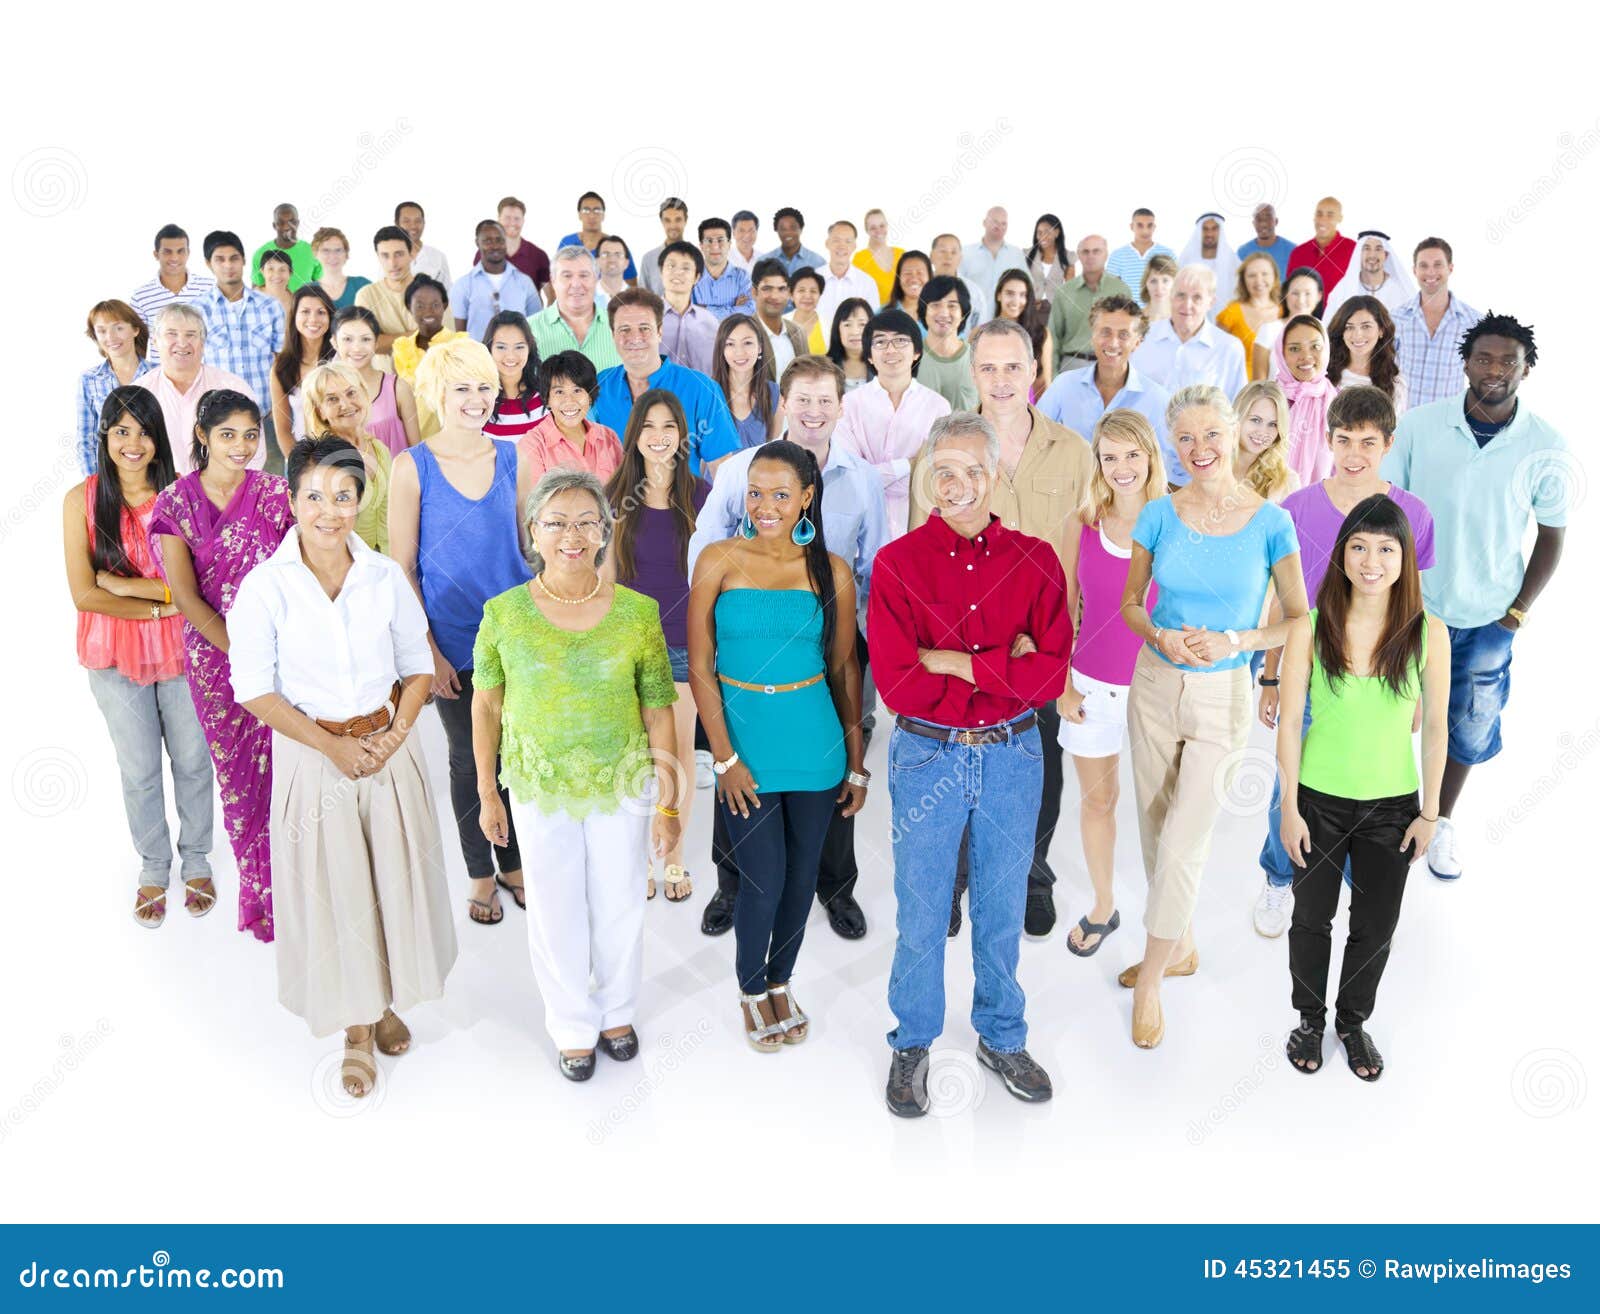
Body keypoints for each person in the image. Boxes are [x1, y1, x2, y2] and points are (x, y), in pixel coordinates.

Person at [229, 436, 456, 1098]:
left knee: (390, 883)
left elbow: (417, 668)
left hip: (388, 748)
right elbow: (254, 688)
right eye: (315, 497)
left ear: (362, 499)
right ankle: (356, 1029)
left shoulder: (383, 575)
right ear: (293, 499)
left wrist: (393, 737)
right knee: (338, 896)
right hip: (314, 757)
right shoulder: (266, 587)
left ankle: (385, 1003)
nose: (330, 511)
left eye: (344, 496)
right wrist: (331, 747)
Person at [875, 412, 1069, 1115]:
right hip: (927, 754)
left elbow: (1048, 677)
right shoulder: (898, 565)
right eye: (943, 471)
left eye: (971, 471)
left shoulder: (1036, 559)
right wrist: (1002, 664)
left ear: (994, 478)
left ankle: (1001, 1035)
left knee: (1000, 904)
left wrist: (955, 660)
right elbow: (898, 683)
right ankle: (912, 1042)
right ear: (928, 475)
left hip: (1015, 754)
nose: (956, 485)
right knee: (923, 907)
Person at [473, 468, 679, 1080]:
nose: (572, 535)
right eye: (557, 522)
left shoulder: (638, 613)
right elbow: (486, 706)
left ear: (604, 532)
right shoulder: (504, 614)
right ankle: (570, 1025)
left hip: (622, 782)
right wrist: (489, 791)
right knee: (556, 908)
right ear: (532, 532)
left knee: (619, 904)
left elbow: (659, 713)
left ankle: (617, 1012)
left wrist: (668, 806)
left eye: (586, 521)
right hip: (538, 787)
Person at [1117, 384, 1307, 1048]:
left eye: (1211, 435)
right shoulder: (1158, 515)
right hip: (1155, 682)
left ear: (1234, 433)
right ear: (1174, 445)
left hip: (1223, 692)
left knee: (1184, 839)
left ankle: (1150, 983)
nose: (1200, 450)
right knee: (1151, 825)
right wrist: (1160, 636)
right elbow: (1132, 604)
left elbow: (1296, 616)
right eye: (1186, 440)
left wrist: (1239, 643)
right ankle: (1182, 945)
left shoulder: (1271, 522)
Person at [907, 319, 1097, 937]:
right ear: (971, 374)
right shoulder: (938, 453)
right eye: (987, 368)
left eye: (1012, 366)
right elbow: (919, 553)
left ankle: (1031, 875)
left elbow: (1090, 552)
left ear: (1034, 370)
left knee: (1036, 772)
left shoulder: (1073, 451)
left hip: (1042, 648)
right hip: (960, 651)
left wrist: (1065, 645)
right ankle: (959, 878)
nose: (1001, 379)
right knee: (958, 771)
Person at [688, 357, 888, 942]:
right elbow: (709, 543)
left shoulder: (862, 478)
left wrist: (850, 637)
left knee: (826, 782)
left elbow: (873, 563)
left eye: (825, 400)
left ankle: (835, 889)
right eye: (803, 399)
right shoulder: (743, 471)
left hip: (826, 640)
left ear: (840, 406)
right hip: (751, 647)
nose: (813, 411)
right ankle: (733, 887)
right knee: (741, 783)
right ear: (785, 403)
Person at [688, 440, 866, 1052]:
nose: (766, 506)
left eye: (781, 495)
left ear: (806, 499)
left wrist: (858, 765)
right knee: (762, 875)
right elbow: (702, 668)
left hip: (813, 742)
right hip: (746, 747)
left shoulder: (830, 570)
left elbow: (845, 673)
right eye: (756, 493)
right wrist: (725, 757)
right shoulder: (716, 558)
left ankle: (782, 980)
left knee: (799, 879)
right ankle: (749, 987)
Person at [1381, 312, 1566, 881]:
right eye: (1484, 358)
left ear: (1525, 369)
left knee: (1470, 723)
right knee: (1389, 717)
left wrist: (1516, 613)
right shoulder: (1419, 425)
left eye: (1508, 360)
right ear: (1465, 363)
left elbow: (1553, 534)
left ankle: (1438, 821)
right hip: (1414, 606)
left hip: (1489, 617)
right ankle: (1384, 822)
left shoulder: (1545, 443)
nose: (1494, 369)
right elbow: (1388, 508)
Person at [1276, 494, 1448, 1081]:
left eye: (1385, 548)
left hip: (1392, 810)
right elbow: (1292, 723)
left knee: (1374, 926)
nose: (1370, 561)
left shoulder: (1430, 632)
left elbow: (1437, 731)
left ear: (1405, 558)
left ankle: (1351, 1022)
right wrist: (1289, 807)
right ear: (1342, 553)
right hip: (1317, 802)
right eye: (1358, 546)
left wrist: (1430, 814)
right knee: (1310, 919)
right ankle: (1308, 1019)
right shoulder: (1310, 627)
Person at [1254, 386, 1437, 936]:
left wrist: (1418, 689)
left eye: (1367, 442)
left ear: (1388, 444)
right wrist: (1269, 674)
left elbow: (1417, 603)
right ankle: (1279, 875)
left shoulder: (1414, 513)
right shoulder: (1297, 508)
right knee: (1292, 778)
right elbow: (1278, 598)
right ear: (1327, 440)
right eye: (1342, 441)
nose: (1354, 453)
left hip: (1383, 675)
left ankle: (1357, 874)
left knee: (1366, 779)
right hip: (1311, 668)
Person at [388, 338, 535, 926]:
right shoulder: (411, 466)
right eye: (462, 388)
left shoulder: (515, 457)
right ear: (436, 395)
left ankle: (515, 861)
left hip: (517, 638)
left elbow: (533, 546)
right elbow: (402, 568)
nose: (476, 399)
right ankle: (480, 871)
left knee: (516, 755)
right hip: (451, 642)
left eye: (483, 387)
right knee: (468, 760)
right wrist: (429, 655)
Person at [149, 388, 293, 942]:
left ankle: (303, 888)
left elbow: (297, 575)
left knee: (288, 777)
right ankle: (262, 898)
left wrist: (275, 657)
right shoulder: (175, 503)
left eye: (251, 435)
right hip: (218, 664)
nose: (241, 446)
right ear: (203, 437)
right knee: (239, 782)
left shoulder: (278, 494)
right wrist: (246, 656)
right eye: (227, 434)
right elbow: (184, 595)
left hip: (285, 659)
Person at [65, 387, 213, 927]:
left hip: (181, 651)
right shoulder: (80, 500)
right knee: (140, 769)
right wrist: (160, 599)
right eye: (121, 430)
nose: (132, 442)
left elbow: (198, 587)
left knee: (194, 761)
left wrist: (128, 589)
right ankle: (154, 867)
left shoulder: (182, 497)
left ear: (158, 439)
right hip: (113, 658)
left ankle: (197, 857)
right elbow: (84, 594)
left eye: (143, 431)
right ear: (104, 435)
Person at [1056, 410, 1167, 956]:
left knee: (1160, 810)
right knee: (1099, 803)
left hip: (1157, 689)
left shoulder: (1175, 521)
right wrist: (1061, 684)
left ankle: (1167, 918)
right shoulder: (1085, 521)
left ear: (1150, 455)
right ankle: (1104, 906)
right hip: (1091, 687)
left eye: (1132, 455)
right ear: (1097, 463)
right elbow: (1062, 607)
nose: (1122, 467)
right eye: (1110, 456)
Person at [603, 391, 707, 902]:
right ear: (635, 434)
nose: (660, 435)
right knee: (637, 754)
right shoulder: (615, 496)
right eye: (650, 425)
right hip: (629, 645)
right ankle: (640, 856)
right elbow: (602, 580)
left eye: (670, 425)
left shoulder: (702, 495)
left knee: (679, 753)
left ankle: (674, 855)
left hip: (685, 643)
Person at [591, 289, 741, 477]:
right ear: (613, 335)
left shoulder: (701, 389)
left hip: (684, 505)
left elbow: (722, 468)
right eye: (625, 329)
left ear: (660, 332)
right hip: (615, 505)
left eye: (645, 328)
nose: (635, 337)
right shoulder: (599, 386)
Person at [835, 308, 951, 537]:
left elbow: (936, 474)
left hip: (920, 527)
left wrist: (877, 474)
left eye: (900, 340)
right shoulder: (848, 405)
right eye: (880, 342)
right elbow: (853, 479)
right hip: (861, 529)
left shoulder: (938, 407)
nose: (890, 349)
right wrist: (908, 464)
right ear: (868, 355)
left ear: (917, 351)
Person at [1129, 267, 1248, 485]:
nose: (1187, 305)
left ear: (1211, 301)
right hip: (1145, 464)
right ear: (1170, 296)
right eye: (1181, 295)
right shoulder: (1143, 338)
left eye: (1197, 297)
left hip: (1201, 466)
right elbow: (1129, 396)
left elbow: (1236, 411)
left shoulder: (1228, 348)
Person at [1037, 294, 1175, 473]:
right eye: (1105, 332)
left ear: (1137, 342)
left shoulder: (1157, 398)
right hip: (1073, 494)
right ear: (1093, 335)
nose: (1113, 343)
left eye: (1124, 335)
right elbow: (1036, 437)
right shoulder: (1064, 385)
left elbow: (1173, 462)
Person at [135, 305, 259, 477]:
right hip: (158, 496)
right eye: (171, 334)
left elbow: (254, 453)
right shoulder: (139, 393)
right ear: (155, 341)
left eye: (191, 335)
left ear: (202, 342)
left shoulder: (233, 387)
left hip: (224, 495)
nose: (182, 343)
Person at [300, 362, 394, 553]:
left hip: (389, 564)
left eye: (351, 393)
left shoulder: (379, 449)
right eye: (332, 399)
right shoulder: (321, 462)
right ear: (320, 411)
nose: (346, 404)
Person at [199, 231, 285, 429]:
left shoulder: (270, 306)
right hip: (218, 418)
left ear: (244, 260)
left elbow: (282, 360)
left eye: (234, 258)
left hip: (267, 415)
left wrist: (278, 408)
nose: (228, 265)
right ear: (208, 263)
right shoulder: (198, 311)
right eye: (220, 259)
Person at [1391, 237, 1481, 408]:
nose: (1430, 272)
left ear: (1450, 268)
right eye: (1423, 265)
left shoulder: (1473, 322)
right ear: (1414, 270)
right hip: (1402, 423)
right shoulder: (1396, 318)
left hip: (1447, 424)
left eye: (1438, 264)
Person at [520, 350, 624, 481]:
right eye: (559, 392)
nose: (569, 400)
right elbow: (534, 500)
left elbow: (622, 490)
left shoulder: (609, 437)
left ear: (590, 396)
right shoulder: (532, 445)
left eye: (577, 390)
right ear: (547, 399)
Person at [78, 300, 155, 475]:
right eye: (102, 330)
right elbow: (86, 440)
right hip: (109, 477)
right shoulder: (89, 380)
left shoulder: (159, 374)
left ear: (135, 330)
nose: (110, 337)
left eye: (118, 328)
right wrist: (94, 483)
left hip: (153, 474)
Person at [332, 306, 420, 456]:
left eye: (365, 339)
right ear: (334, 342)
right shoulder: (325, 392)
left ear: (376, 343)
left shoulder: (397, 388)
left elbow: (417, 450)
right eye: (347, 339)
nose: (357, 348)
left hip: (396, 478)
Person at [1048, 234, 1133, 375]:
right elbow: (1053, 337)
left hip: (1111, 366)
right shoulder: (1064, 292)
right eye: (1085, 251)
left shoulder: (1122, 290)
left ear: (1106, 254)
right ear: (1079, 256)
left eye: (1096, 251)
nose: (1090, 256)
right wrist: (1052, 376)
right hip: (1072, 366)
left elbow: (1130, 334)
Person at [529, 245, 622, 372]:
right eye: (567, 276)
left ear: (596, 278)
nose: (576, 284)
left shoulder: (621, 326)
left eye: (584, 275)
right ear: (553, 280)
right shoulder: (528, 329)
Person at [268, 284, 336, 455]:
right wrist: (299, 467)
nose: (313, 319)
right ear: (294, 316)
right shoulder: (281, 367)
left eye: (321, 312)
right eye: (305, 312)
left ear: (330, 317)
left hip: (341, 455)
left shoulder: (340, 360)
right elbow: (283, 430)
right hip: (301, 457)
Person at [130, 224, 215, 359]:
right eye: (167, 252)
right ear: (156, 254)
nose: (175, 258)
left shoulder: (211, 288)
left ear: (188, 253)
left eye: (180, 251)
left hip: (205, 374)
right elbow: (136, 346)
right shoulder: (141, 297)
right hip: (162, 376)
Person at [1273, 314, 1338, 485]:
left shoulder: (1339, 402)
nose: (1306, 356)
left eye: (1315, 346)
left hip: (1324, 502)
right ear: (1282, 354)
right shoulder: (1267, 399)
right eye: (1295, 349)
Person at [452, 220, 540, 339]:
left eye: (499, 240)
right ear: (477, 243)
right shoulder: (463, 285)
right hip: (478, 356)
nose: (495, 246)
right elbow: (460, 335)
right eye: (487, 241)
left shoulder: (524, 282)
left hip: (517, 356)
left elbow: (537, 324)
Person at [711, 313, 781, 449]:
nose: (739, 352)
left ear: (759, 347)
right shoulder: (708, 394)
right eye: (730, 344)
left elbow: (774, 451)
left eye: (747, 343)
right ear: (722, 349)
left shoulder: (774, 393)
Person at [1327, 297, 1407, 413]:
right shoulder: (1325, 374)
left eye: (1366, 326)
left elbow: (1396, 428)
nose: (1358, 335)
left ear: (1381, 330)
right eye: (1349, 327)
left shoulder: (1395, 384)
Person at [1216, 252, 1282, 381]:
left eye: (1265, 274)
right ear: (1243, 280)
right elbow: (1215, 354)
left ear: (1274, 277)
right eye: (1252, 275)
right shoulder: (1232, 312)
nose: (1259, 280)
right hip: (1239, 387)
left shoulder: (1284, 312)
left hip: (1277, 389)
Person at [482, 311, 547, 443]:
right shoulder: (479, 399)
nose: (510, 356)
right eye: (501, 347)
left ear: (529, 349)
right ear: (489, 349)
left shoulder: (546, 395)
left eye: (519, 347)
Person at [355, 226, 418, 361]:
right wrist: (419, 336)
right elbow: (368, 344)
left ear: (412, 253)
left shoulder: (433, 292)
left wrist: (386, 339)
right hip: (384, 380)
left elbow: (441, 343)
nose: (392, 263)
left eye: (399, 254)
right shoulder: (366, 295)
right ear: (378, 257)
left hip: (428, 379)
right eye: (385, 256)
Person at [915, 276, 978, 410]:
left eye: (952, 306)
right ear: (924, 311)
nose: (943, 313)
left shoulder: (978, 358)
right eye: (935, 305)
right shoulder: (911, 357)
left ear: (963, 314)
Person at [1252, 267, 1324, 383]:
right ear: (1286, 294)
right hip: (1276, 399)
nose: (1301, 300)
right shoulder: (1269, 330)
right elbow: (1258, 384)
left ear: (1319, 296)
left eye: (1308, 294)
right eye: (1295, 293)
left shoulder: (1325, 331)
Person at [657, 241, 719, 374]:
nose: (678, 272)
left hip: (700, 393)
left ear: (697, 277)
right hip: (655, 393)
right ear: (661, 272)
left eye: (686, 268)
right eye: (671, 266)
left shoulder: (711, 322)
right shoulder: (648, 317)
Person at [1323, 230, 1415, 319]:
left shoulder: (1401, 292)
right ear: (1359, 254)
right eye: (1366, 248)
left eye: (1378, 249)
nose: (1372, 255)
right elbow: (1328, 329)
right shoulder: (1342, 291)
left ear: (1386, 255)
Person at [391, 276, 464, 387]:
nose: (428, 311)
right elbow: (397, 394)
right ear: (409, 307)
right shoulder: (401, 349)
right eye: (420, 306)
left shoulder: (460, 344)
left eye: (435, 305)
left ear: (444, 306)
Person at [1232, 380, 1297, 502]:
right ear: (1237, 418)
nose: (1263, 432)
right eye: (1255, 420)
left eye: (1272, 424)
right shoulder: (1214, 466)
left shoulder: (1287, 482)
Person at [994, 269, 1053, 398]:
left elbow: (1044, 383)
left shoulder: (1041, 334)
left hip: (1027, 410)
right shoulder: (981, 333)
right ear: (999, 295)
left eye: (1022, 295)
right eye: (1010, 293)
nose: (1016, 301)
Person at [475, 196, 551, 292]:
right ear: (498, 220)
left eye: (517, 218)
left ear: (523, 221)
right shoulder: (483, 253)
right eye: (507, 218)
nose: (512, 223)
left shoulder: (538, 255)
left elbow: (552, 296)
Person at [558, 191, 636, 283]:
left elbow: (632, 285)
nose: (591, 215)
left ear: (603, 215)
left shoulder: (616, 246)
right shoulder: (567, 243)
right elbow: (556, 278)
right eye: (586, 210)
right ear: (579, 215)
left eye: (597, 210)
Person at [817, 219, 881, 330]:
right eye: (836, 240)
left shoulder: (867, 283)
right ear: (827, 243)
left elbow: (874, 323)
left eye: (848, 241)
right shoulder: (813, 279)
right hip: (817, 345)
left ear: (854, 246)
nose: (842, 246)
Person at [750, 258, 808, 376]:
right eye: (767, 289)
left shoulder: (798, 332)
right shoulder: (744, 332)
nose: (775, 296)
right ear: (754, 292)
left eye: (781, 289)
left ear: (788, 293)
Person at [959, 206, 1028, 305]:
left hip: (1007, 317)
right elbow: (957, 285)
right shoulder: (965, 253)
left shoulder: (1016, 254)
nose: (999, 226)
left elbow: (1028, 285)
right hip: (975, 317)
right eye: (995, 222)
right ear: (984, 223)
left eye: (1003, 223)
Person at [1178, 213, 1240, 314]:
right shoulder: (1186, 261)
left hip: (1226, 322)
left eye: (1214, 229)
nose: (1209, 234)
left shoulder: (1234, 262)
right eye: (1205, 229)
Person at [1288, 197, 1355, 290]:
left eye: (1330, 215)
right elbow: (1289, 292)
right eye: (1319, 214)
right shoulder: (1298, 253)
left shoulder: (1354, 250)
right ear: (1314, 217)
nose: (1323, 220)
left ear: (1340, 218)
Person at [250, 203, 320, 291]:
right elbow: (256, 293)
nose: (287, 227)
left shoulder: (312, 251)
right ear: (274, 226)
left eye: (292, 222)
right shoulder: (260, 254)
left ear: (297, 223)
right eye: (281, 223)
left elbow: (321, 285)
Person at [693, 217, 752, 319]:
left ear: (729, 244)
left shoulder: (742, 277)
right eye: (709, 241)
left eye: (720, 240)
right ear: (701, 245)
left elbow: (749, 310)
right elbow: (688, 313)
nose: (715, 246)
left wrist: (705, 309)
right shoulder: (691, 276)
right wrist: (734, 310)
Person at [1106, 208, 1175, 291]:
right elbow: (1111, 289)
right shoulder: (1117, 255)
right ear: (1132, 227)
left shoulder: (1168, 254)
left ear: (1154, 227)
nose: (1145, 231)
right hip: (1127, 304)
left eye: (1149, 225)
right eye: (1140, 225)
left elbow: (1177, 284)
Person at [930, 234, 988, 332]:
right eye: (942, 251)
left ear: (960, 258)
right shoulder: (920, 286)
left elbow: (981, 329)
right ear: (931, 256)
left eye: (953, 252)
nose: (948, 256)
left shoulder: (974, 291)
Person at [638, 196, 689, 298]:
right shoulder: (649, 259)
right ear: (662, 221)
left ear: (685, 220)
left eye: (678, 220)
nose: (673, 226)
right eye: (667, 220)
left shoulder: (698, 256)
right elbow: (642, 298)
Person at [309, 227, 369, 310]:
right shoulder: (308, 290)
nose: (333, 256)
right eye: (326, 251)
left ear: (346, 254)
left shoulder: (362, 285)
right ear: (315, 254)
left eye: (338, 250)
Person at [853, 208, 902, 306]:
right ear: (867, 231)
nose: (878, 231)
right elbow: (855, 295)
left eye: (882, 226)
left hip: (901, 315)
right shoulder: (860, 259)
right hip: (874, 316)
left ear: (887, 226)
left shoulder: (901, 254)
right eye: (873, 228)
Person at [394, 201, 451, 285]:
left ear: (424, 223)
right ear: (397, 224)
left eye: (418, 221)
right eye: (406, 221)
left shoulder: (438, 257)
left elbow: (447, 292)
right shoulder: (387, 255)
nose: (413, 226)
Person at [1237, 203, 1295, 281]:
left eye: (1268, 218)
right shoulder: (1242, 252)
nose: (1263, 223)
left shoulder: (1293, 251)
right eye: (1258, 219)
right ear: (1253, 223)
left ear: (1276, 221)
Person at [826, 297, 873, 391]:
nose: (855, 332)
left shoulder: (883, 365)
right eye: (847, 325)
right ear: (837, 329)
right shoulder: (824, 367)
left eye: (862, 324)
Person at [763, 205, 824, 277]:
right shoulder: (764, 261)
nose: (788, 233)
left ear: (801, 229)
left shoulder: (817, 262)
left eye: (793, 228)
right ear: (776, 230)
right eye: (783, 229)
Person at [1025, 213, 1072, 304]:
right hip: (1030, 307)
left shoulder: (1068, 257)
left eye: (1047, 232)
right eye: (1039, 233)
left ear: (1057, 232)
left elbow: (1070, 290)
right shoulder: (1026, 254)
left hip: (1055, 309)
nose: (1043, 236)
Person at [887, 249, 934, 321]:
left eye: (920, 273)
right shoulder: (882, 313)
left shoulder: (939, 313)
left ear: (929, 277)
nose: (914, 279)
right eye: (908, 273)